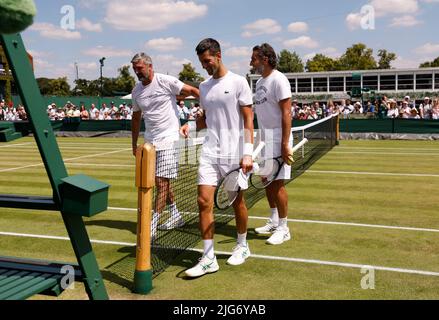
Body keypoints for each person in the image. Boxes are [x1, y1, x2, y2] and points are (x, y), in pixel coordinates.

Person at [184, 38, 254, 278]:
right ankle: (208, 257)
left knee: (237, 202)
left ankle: (243, 245)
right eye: (202, 62)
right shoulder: (203, 87)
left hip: (235, 154)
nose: (205, 66)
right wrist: (191, 126)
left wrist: (247, 152)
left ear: (219, 55)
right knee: (204, 201)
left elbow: (248, 120)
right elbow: (205, 119)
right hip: (210, 152)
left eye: (207, 61)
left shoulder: (238, 82)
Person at [130, 52, 199, 239]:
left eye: (140, 68)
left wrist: (199, 115)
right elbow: (136, 119)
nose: (137, 72)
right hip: (149, 143)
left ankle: (152, 222)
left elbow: (195, 92)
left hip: (169, 139)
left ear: (150, 67)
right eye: (134, 69)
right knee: (163, 183)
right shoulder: (136, 91)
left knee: (161, 182)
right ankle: (176, 215)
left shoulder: (165, 81)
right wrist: (134, 143)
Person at [250, 43, 292, 245]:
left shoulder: (279, 79)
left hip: (278, 139)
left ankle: (284, 228)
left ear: (265, 59)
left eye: (254, 59)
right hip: (264, 138)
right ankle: (274, 219)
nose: (251, 62)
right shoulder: (258, 83)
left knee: (277, 184)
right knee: (266, 180)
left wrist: (285, 143)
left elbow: (286, 112)